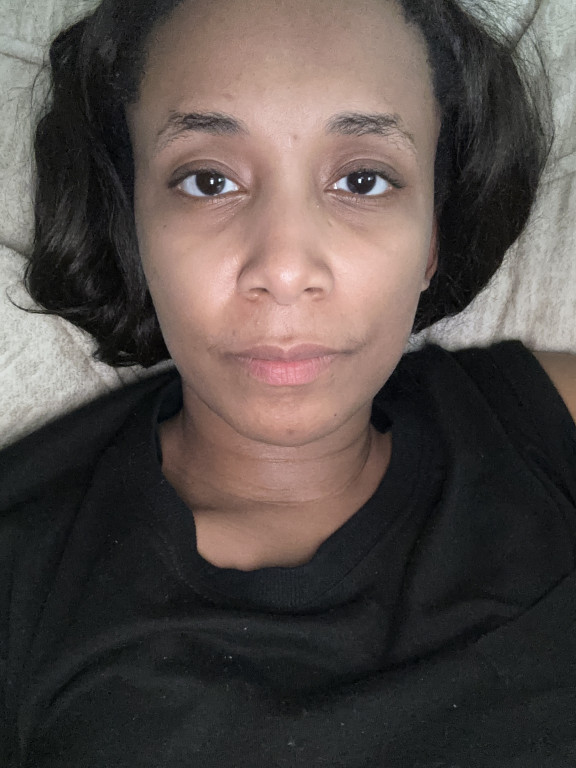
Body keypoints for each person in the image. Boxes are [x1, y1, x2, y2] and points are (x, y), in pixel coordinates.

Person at [1, 0, 575, 764]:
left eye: (363, 180)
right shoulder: (23, 573)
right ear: (132, 221)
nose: (283, 268)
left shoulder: (542, 423)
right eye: (208, 180)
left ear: (433, 239)